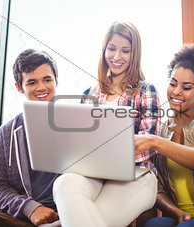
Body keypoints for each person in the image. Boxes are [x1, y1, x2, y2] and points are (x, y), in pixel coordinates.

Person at [53, 21, 161, 227]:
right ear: (104, 50)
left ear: (135, 54)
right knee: (63, 183)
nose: (117, 57)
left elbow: (148, 145)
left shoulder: (145, 90)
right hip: (94, 174)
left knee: (91, 216)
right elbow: (80, 142)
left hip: (136, 175)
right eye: (111, 49)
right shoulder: (89, 94)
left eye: (125, 51)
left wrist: (107, 154)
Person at [134, 44, 194, 227]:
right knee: (154, 225)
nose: (176, 91)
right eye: (173, 84)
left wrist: (155, 142)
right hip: (180, 216)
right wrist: (177, 212)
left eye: (186, 87)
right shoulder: (162, 129)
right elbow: (158, 186)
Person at [0, 49, 61, 227]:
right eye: (32, 82)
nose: (41, 87)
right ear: (19, 87)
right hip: (22, 216)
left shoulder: (79, 124)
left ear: (56, 81)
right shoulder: (4, 135)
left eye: (47, 79)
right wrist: (31, 208)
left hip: (68, 213)